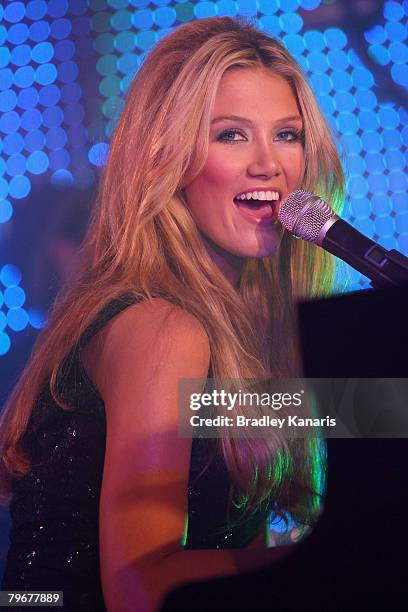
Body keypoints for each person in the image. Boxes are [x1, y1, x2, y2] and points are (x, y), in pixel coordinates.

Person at [0, 16, 344, 612]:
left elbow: (348, 414)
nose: (269, 164)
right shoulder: (163, 326)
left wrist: (405, 406)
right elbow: (139, 586)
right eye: (231, 135)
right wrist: (336, 561)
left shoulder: (245, 330)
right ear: (169, 157)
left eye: (288, 135)